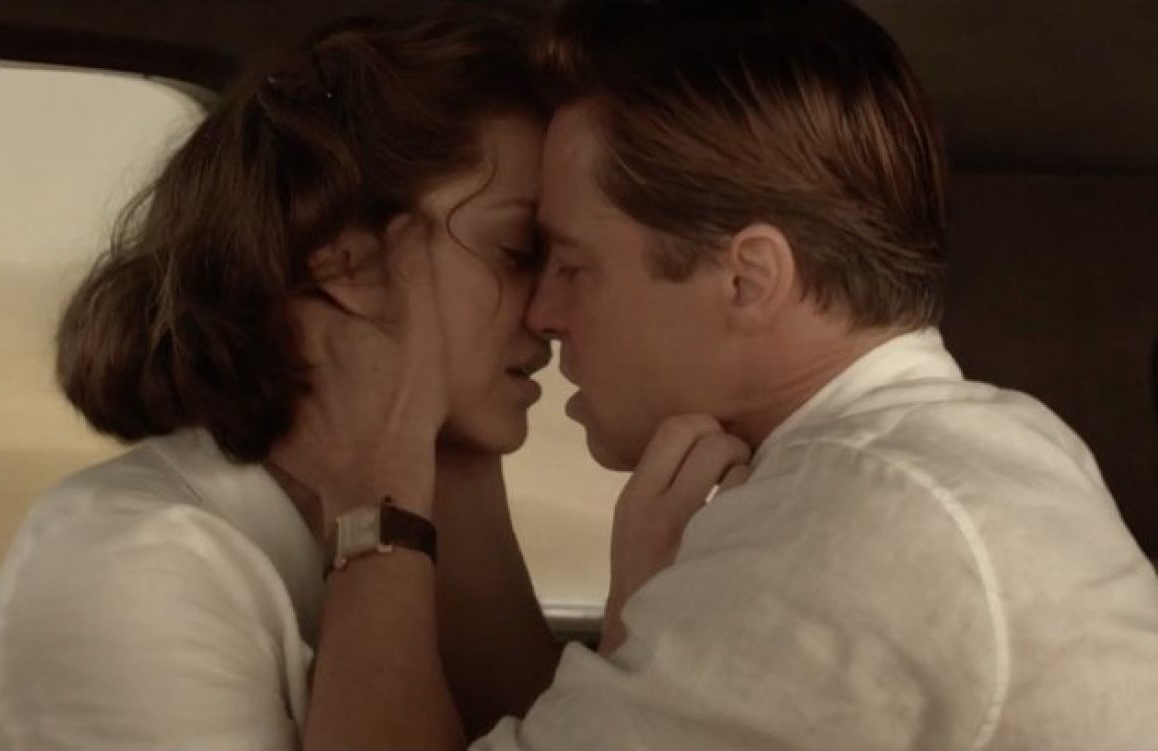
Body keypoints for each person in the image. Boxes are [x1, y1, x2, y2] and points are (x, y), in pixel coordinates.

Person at [304, 1, 1158, 750]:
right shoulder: (977, 451)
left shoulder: (850, 526)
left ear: (748, 280)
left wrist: (378, 491)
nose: (543, 312)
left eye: (572, 264)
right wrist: (641, 626)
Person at [0, 4, 565, 749]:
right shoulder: (139, 565)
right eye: (517, 251)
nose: (554, 310)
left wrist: (453, 468)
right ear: (348, 265)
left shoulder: (423, 504)